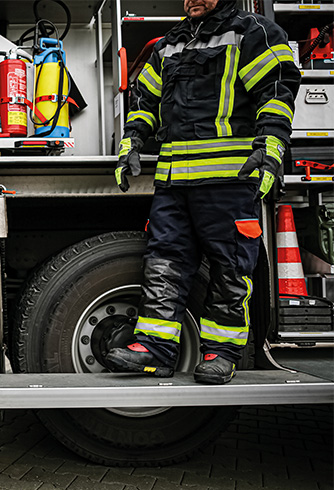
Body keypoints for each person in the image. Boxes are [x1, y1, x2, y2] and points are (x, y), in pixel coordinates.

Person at [106, 0, 300, 384]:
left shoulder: (251, 33)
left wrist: (271, 146)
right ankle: (155, 350)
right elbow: (144, 100)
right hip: (174, 183)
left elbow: (276, 91)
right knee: (164, 265)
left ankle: (221, 353)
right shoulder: (168, 44)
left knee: (230, 269)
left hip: (229, 179)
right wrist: (132, 141)